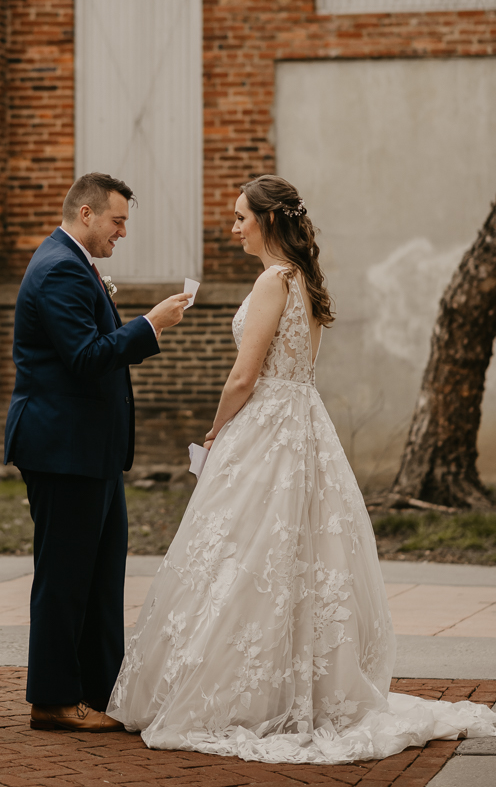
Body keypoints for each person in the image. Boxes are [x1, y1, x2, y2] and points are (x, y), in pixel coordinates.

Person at [107, 174, 496, 763]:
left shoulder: (273, 280)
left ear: (268, 220)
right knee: (291, 557)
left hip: (266, 425)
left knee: (247, 557)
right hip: (302, 424)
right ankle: (296, 686)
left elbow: (244, 375)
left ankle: (247, 694)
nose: (233, 228)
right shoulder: (306, 281)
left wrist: (216, 429)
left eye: (241, 217)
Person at [4, 171, 191, 734]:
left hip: (92, 451)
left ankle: (103, 691)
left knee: (102, 575)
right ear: (86, 214)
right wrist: (149, 326)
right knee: (64, 576)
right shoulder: (60, 267)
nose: (122, 233)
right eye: (118, 221)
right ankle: (54, 699)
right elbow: (86, 356)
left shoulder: (74, 263)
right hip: (62, 448)